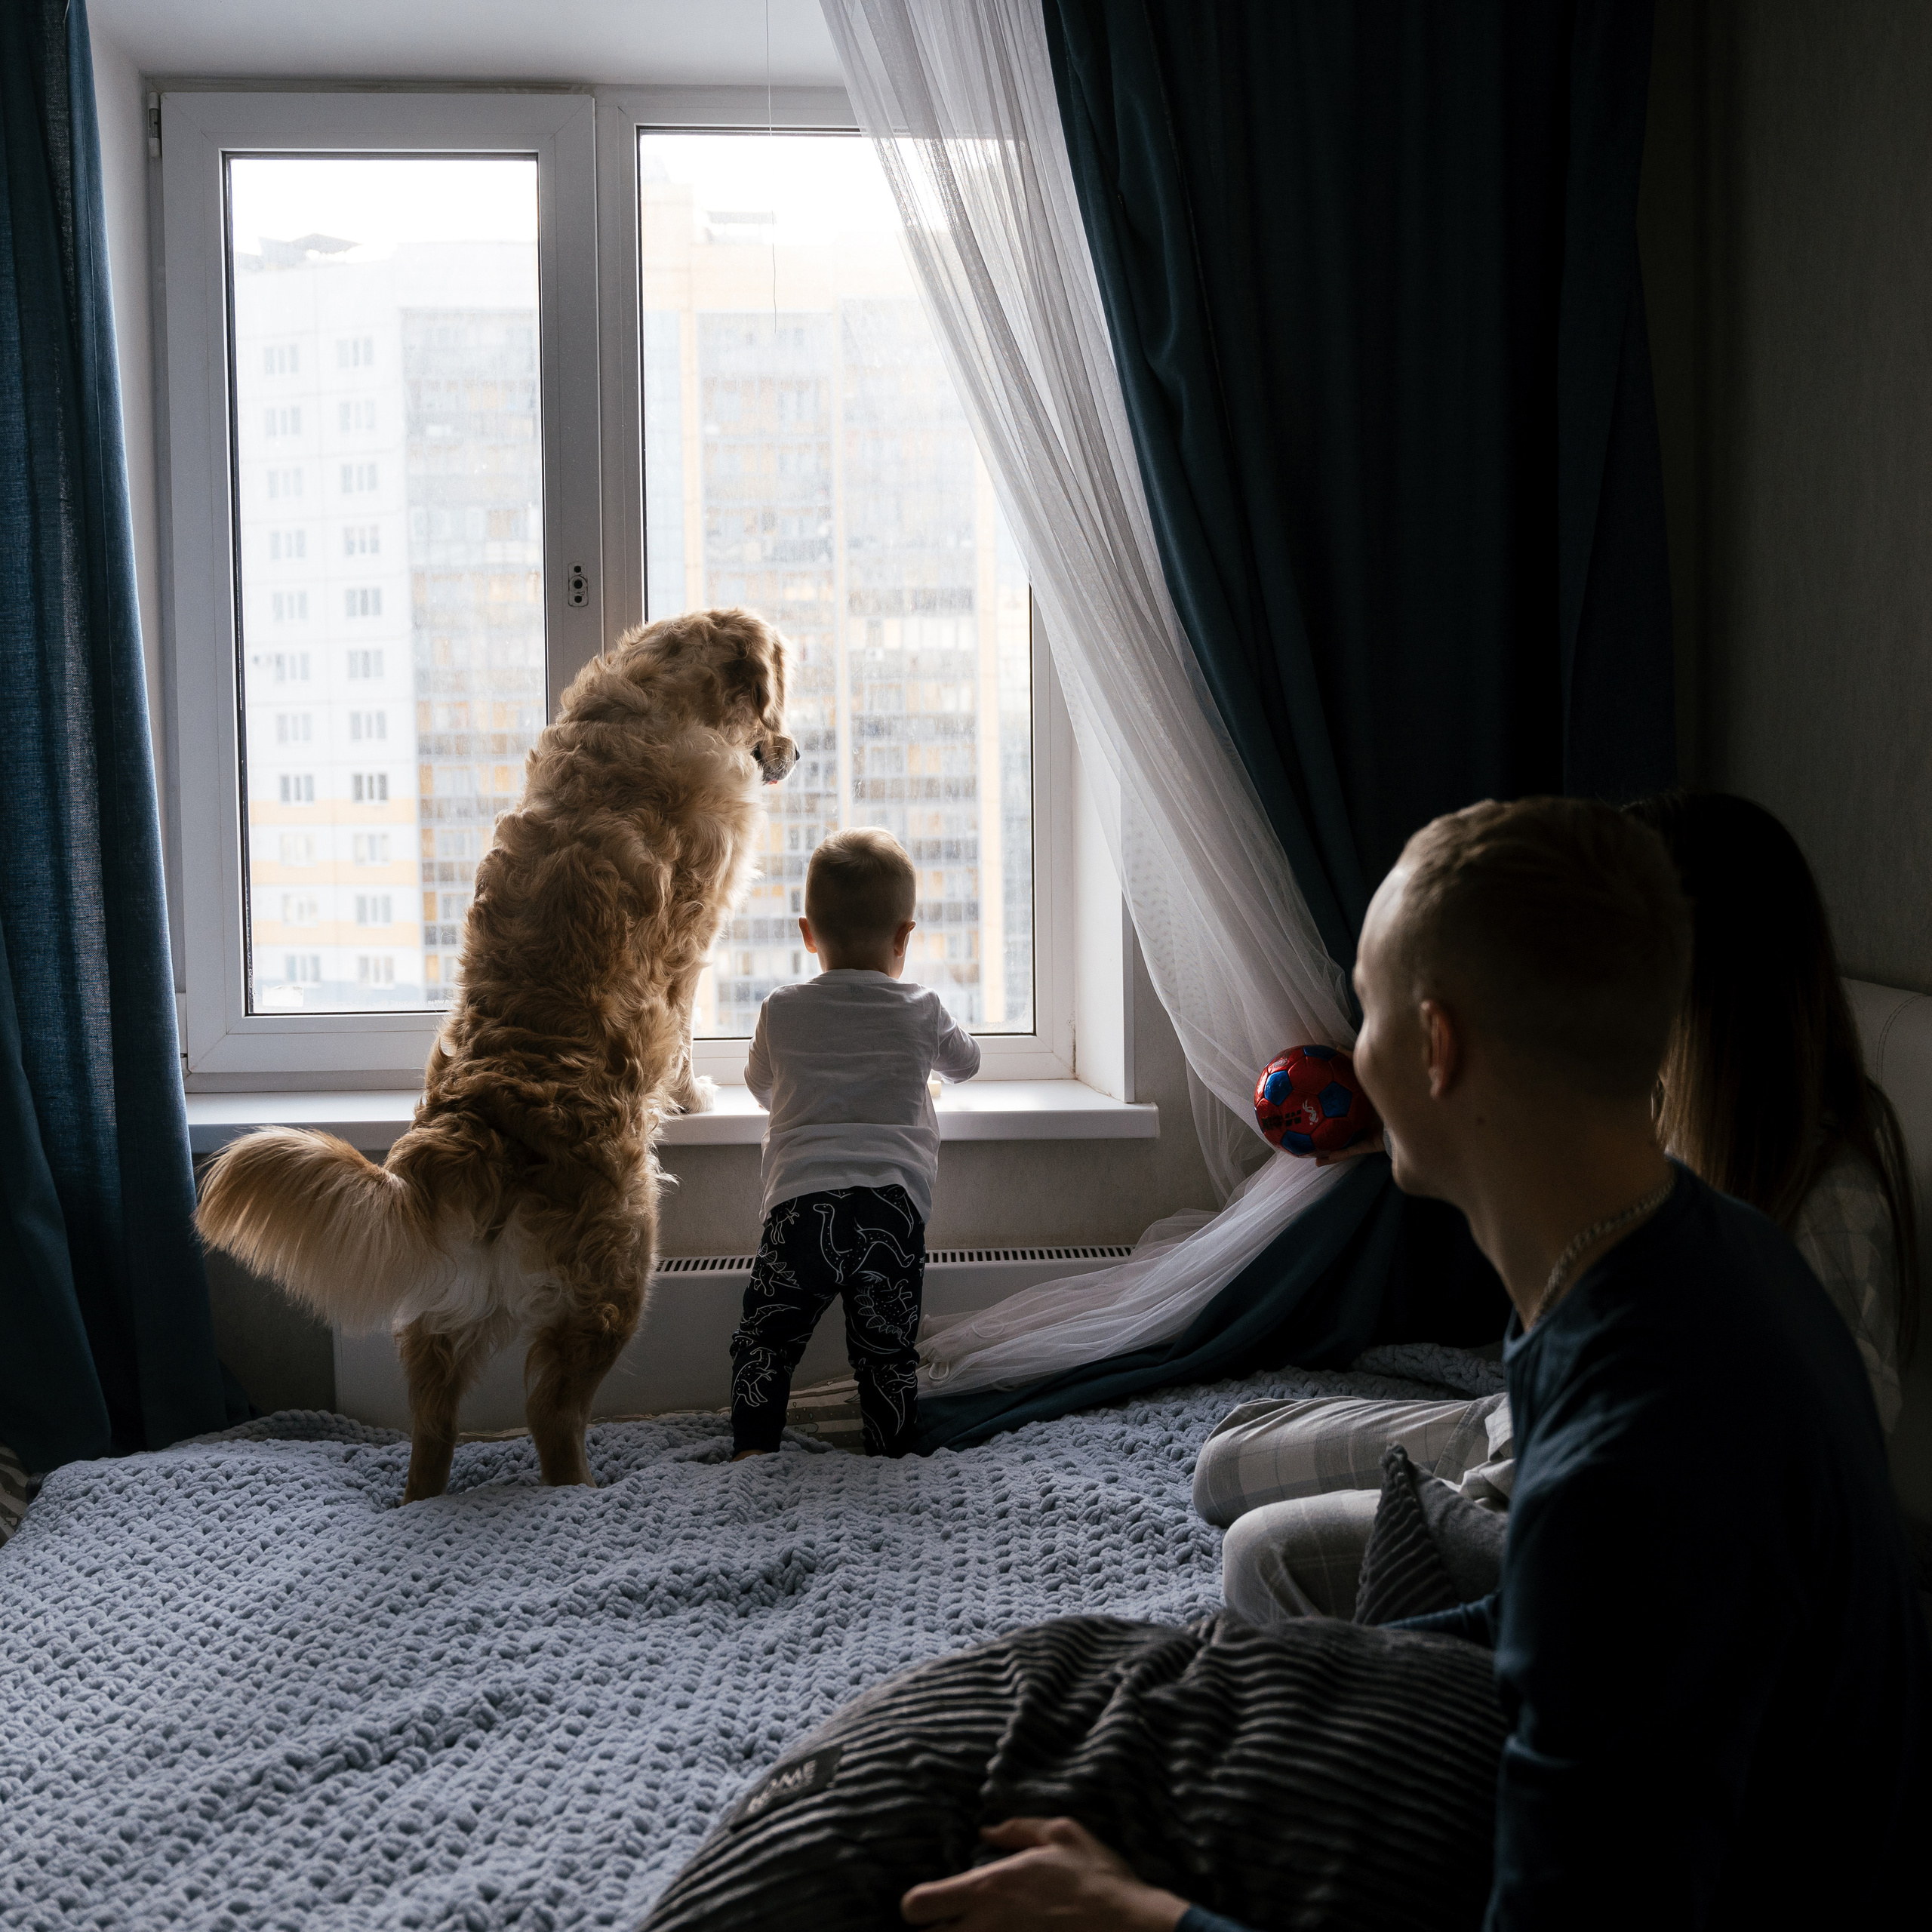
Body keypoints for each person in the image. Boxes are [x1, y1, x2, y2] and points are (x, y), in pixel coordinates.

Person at [894, 796, 1927, 1930]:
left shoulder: (1636, 1473)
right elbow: (1544, 1641)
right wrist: (1265, 1688)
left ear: (1436, 1047)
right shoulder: (1667, 1260)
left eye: (1367, 1015)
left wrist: (1144, 1920)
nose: (1354, 1054)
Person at [1199, 787, 1918, 1625]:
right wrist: (1401, 1126)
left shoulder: (1810, 1212)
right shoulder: (1644, 1120)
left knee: (1264, 1548)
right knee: (1228, 1454)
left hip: (1602, 1485)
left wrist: (1477, 1513)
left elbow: (1793, 1493)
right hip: (1530, 1430)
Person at [730, 827, 980, 1460]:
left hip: (799, 1207)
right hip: (890, 1211)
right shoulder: (921, 1006)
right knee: (886, 1353)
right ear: (904, 937)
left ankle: (753, 1450)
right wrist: (914, 1068)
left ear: (807, 933)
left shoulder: (781, 1009)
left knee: (766, 1341)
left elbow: (761, 1086)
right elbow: (967, 1064)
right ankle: (890, 1452)